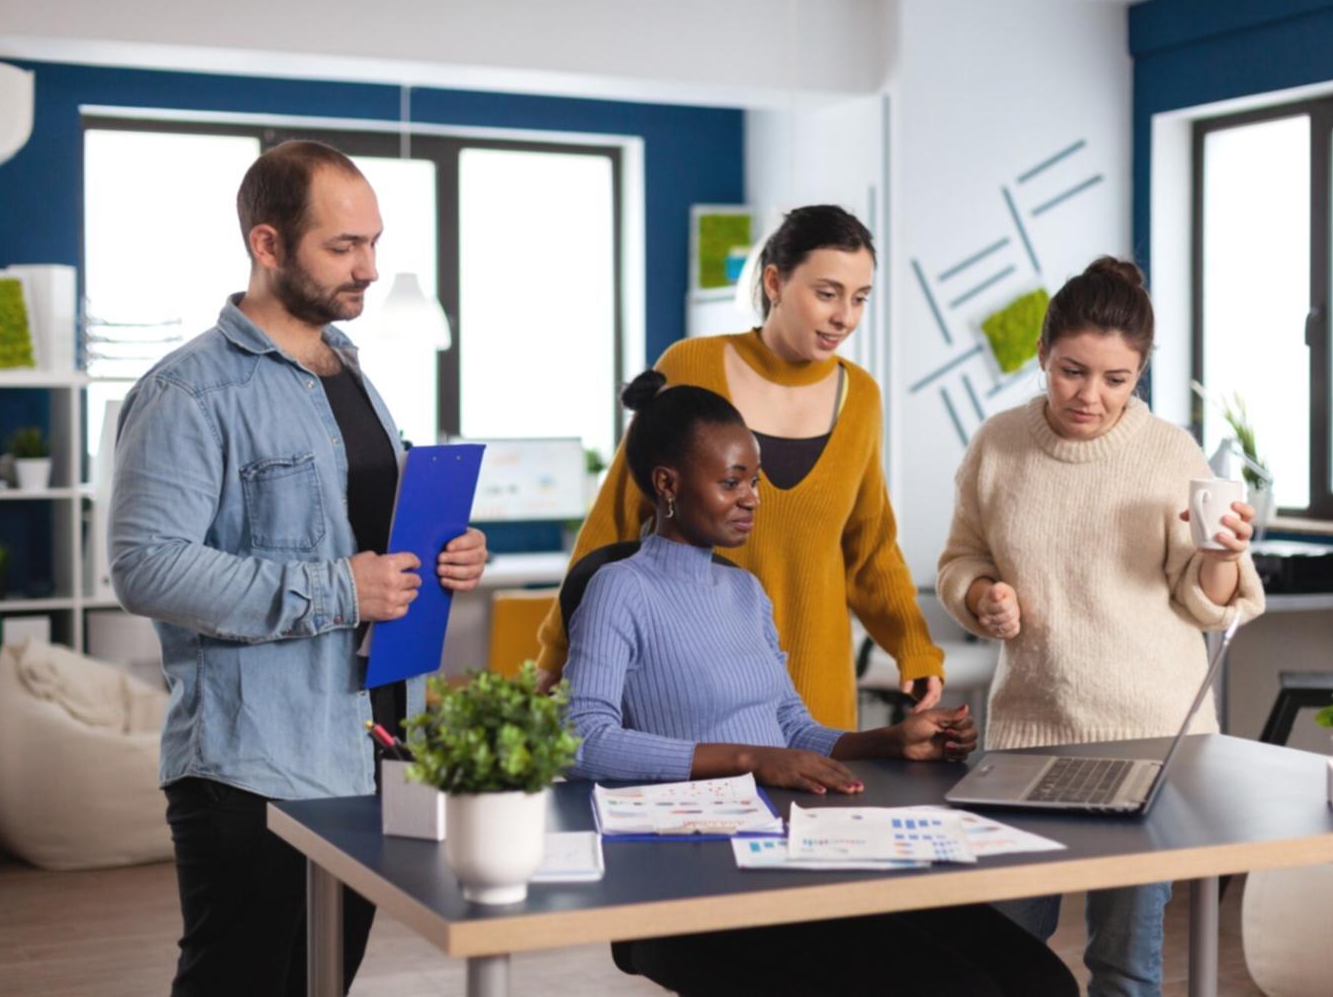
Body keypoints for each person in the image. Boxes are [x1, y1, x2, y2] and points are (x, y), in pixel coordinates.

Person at [109, 140, 488, 997]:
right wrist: (340, 588)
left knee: (325, 980)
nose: (369, 268)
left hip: (368, 751)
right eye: (343, 246)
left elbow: (358, 527)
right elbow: (145, 567)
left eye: (374, 243)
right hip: (256, 765)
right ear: (268, 244)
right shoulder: (188, 392)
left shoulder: (349, 372)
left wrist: (447, 552)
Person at [563, 370, 1078, 997]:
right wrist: (750, 761)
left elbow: (793, 728)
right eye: (731, 482)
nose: (751, 498)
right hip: (699, 878)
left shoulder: (744, 591)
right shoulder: (619, 589)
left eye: (754, 481)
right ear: (668, 484)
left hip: (800, 848)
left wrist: (890, 740)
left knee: (1041, 980)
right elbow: (581, 740)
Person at [935, 256, 1265, 997]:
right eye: (1071, 372)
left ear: (1140, 372)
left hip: (1150, 740)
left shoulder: (1169, 452)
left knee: (1124, 968)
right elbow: (961, 558)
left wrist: (1221, 555)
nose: (1091, 396)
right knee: (998, 958)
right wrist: (983, 594)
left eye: (1116, 379)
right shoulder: (997, 444)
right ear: (1042, 355)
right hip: (1029, 733)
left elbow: (1203, 602)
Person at [540, 204, 943, 729]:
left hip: (817, 693)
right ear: (774, 282)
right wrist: (557, 654)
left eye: (859, 298)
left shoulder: (861, 397)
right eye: (827, 293)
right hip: (690, 694)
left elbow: (870, 550)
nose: (845, 316)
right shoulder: (690, 366)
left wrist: (914, 649)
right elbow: (613, 523)